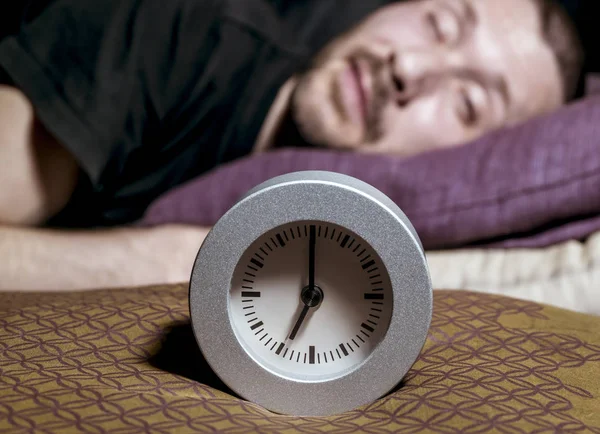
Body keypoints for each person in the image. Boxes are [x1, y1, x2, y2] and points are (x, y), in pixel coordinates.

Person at [0, 0, 585, 290]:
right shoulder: (178, 36)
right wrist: (168, 262)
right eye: (439, 22)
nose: (408, 66)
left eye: (467, 103)